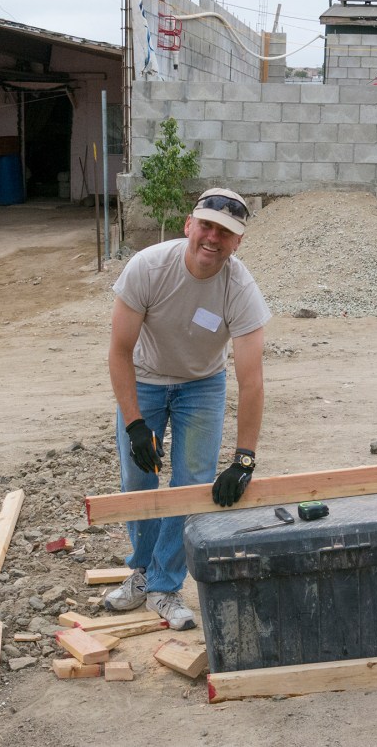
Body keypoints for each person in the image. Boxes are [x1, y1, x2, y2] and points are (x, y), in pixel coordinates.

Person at [105, 188, 271, 630]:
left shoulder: (240, 288)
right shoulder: (148, 267)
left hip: (202, 385)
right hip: (144, 378)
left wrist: (244, 459)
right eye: (207, 226)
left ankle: (164, 586)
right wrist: (135, 421)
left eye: (226, 233)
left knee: (192, 483)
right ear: (189, 225)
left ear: (238, 243)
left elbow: (251, 380)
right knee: (138, 480)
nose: (213, 239)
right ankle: (139, 571)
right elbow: (119, 351)